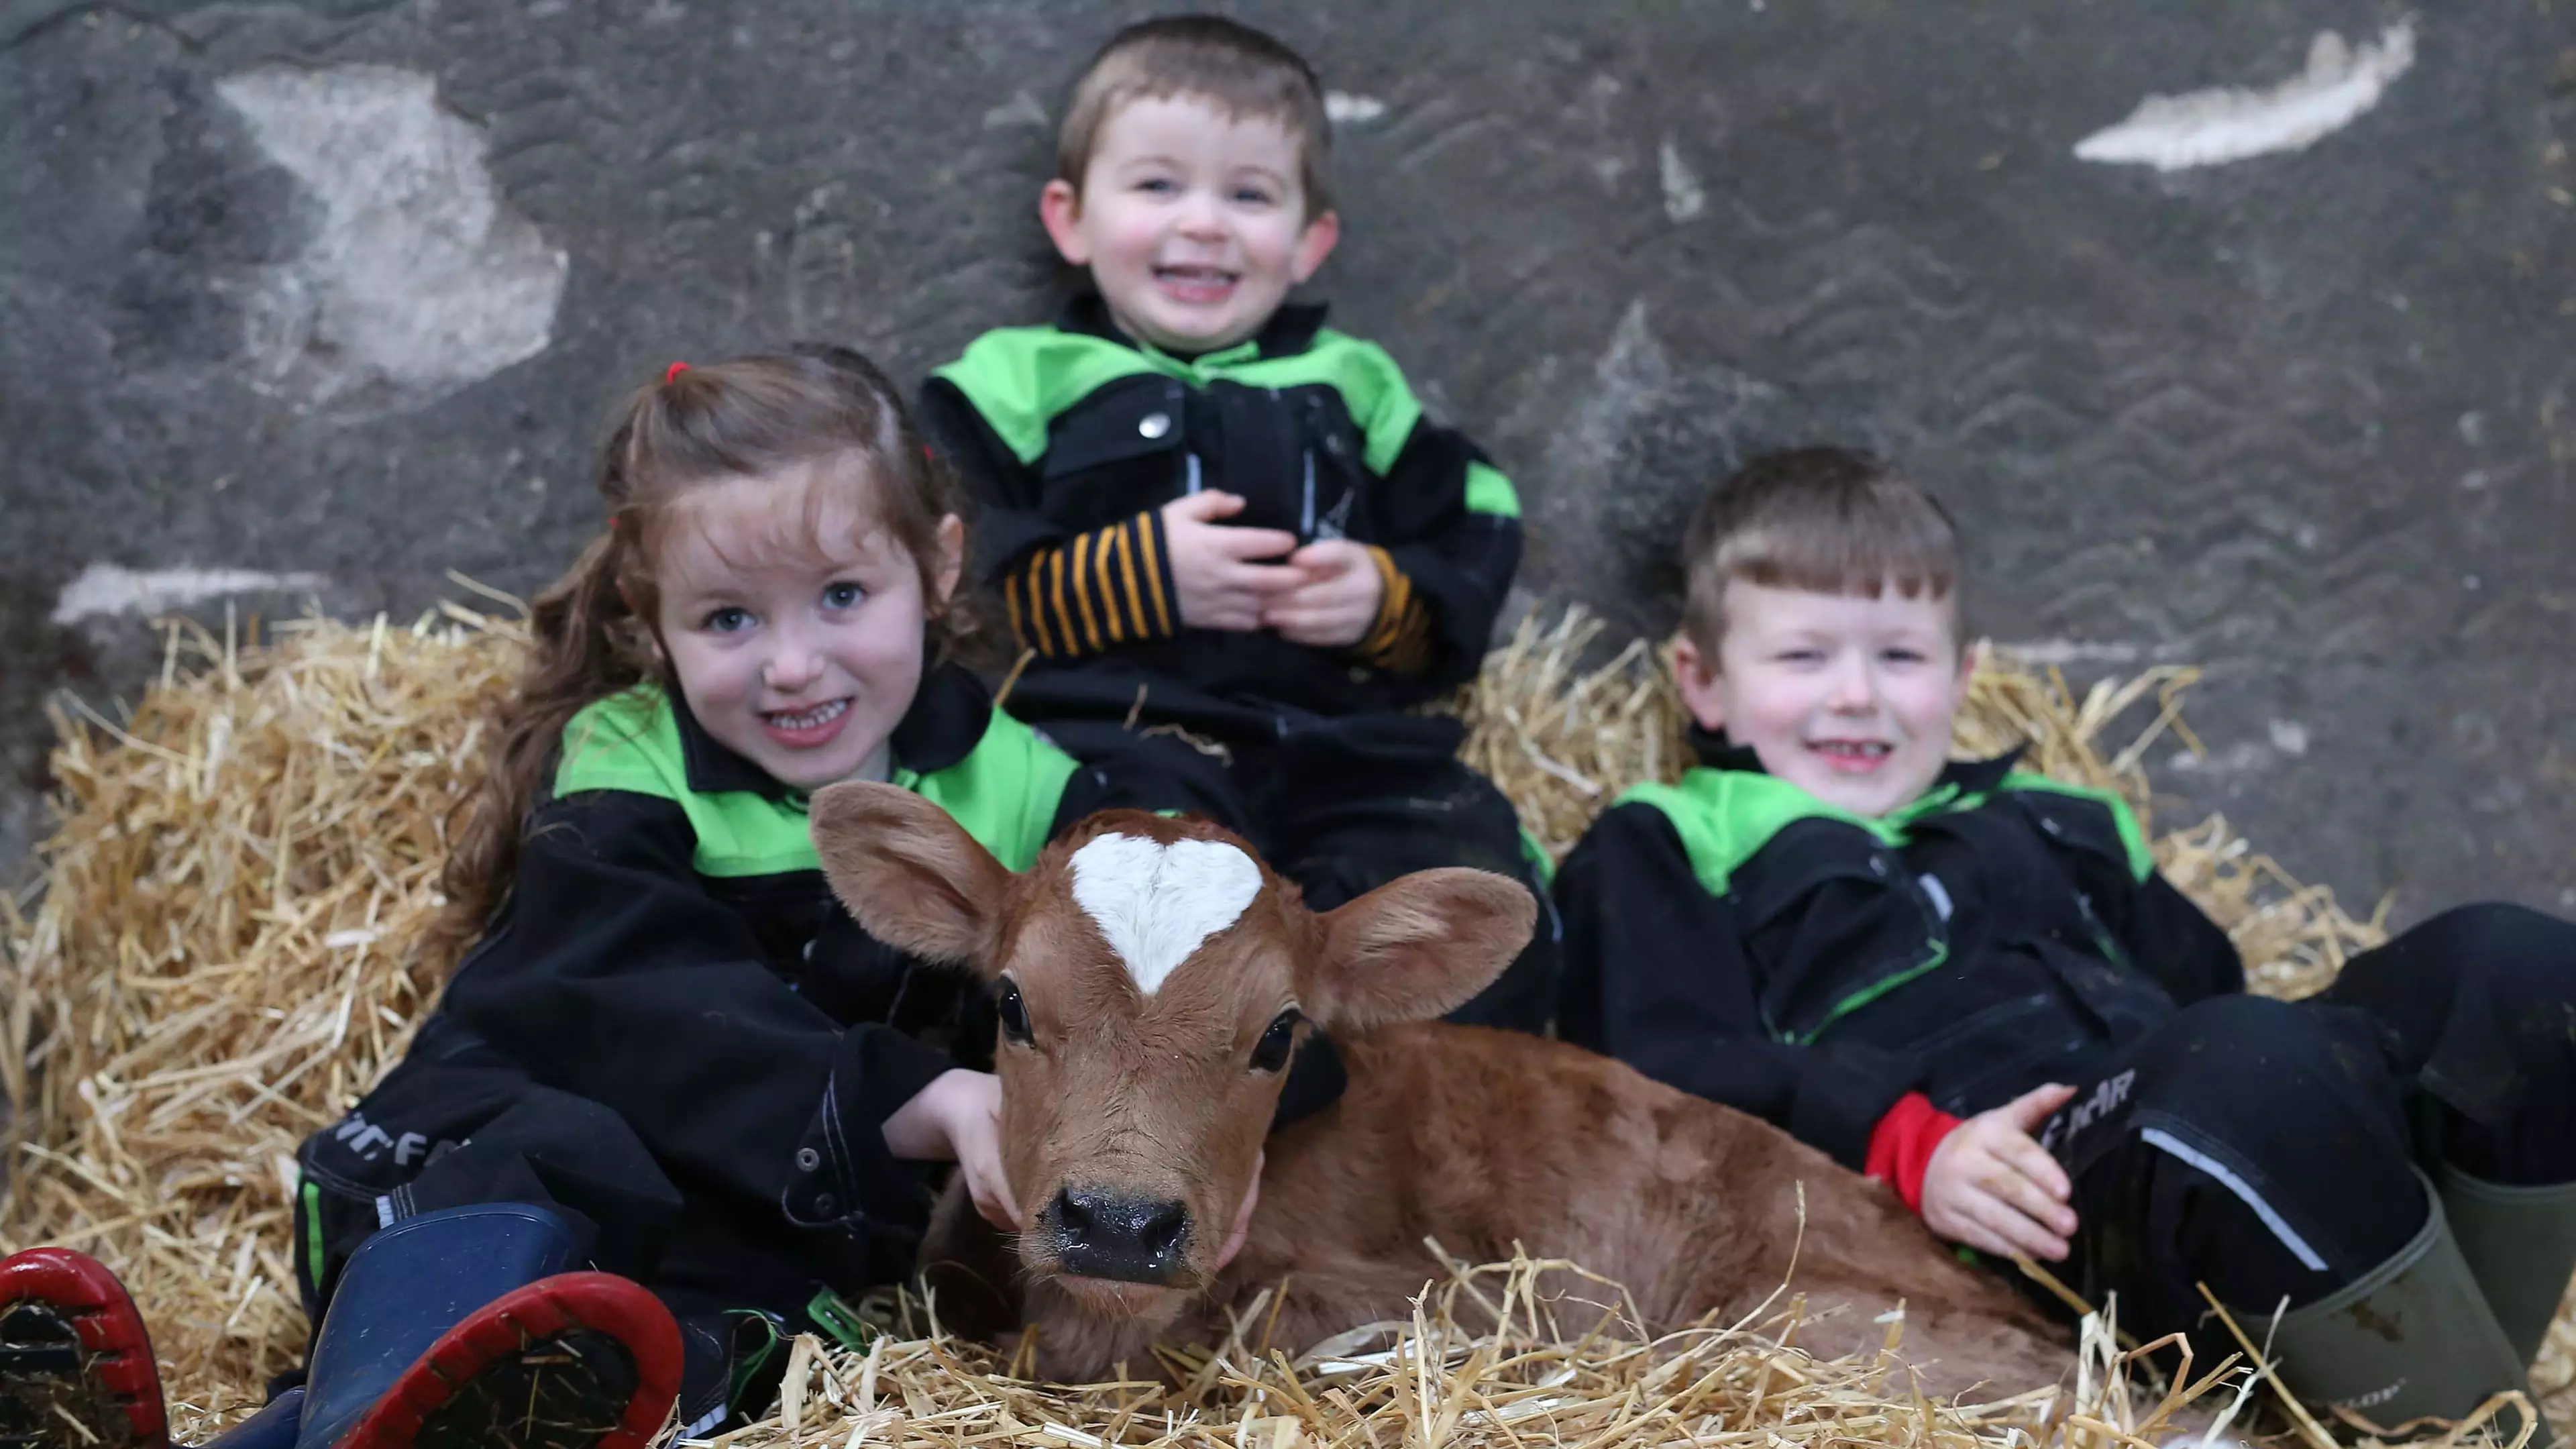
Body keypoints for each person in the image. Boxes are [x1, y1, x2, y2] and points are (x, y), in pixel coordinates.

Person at [0, 347, 1286, 1448]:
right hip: (523, 1150)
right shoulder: (630, 755)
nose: (793, 666)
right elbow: (613, 984)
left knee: (695, 1351)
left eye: (842, 597)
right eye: (729, 619)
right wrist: (919, 1092)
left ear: (940, 568)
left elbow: (1198, 968)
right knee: (523, 1244)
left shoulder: (1019, 787)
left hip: (764, 1231)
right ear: (647, 612)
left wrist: (1217, 1148)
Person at [1555, 447, 2576, 1436]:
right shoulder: (1668, 839)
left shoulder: (2061, 817)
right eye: (1803, 656)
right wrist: (1906, 1143)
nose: (1857, 694)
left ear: (1964, 679)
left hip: (2204, 1148)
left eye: (1899, 657)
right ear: (1703, 680)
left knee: (2517, 973)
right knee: (2237, 1081)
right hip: (2020, 1218)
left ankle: (2449, 1392)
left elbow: (2216, 987)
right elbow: (1660, 1072)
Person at [916, 14, 1556, 1032]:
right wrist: (1136, 576)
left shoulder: (1356, 387)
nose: (1205, 222)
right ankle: (1178, 1119)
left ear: (1310, 242)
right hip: (1125, 736)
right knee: (1128, 898)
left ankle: (1378, 1124)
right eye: (1158, 186)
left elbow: (1479, 518)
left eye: (1249, 195)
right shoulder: (1011, 381)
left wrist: (1384, 601)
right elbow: (947, 557)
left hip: (1343, 743)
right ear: (1070, 218)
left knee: (1462, 863)